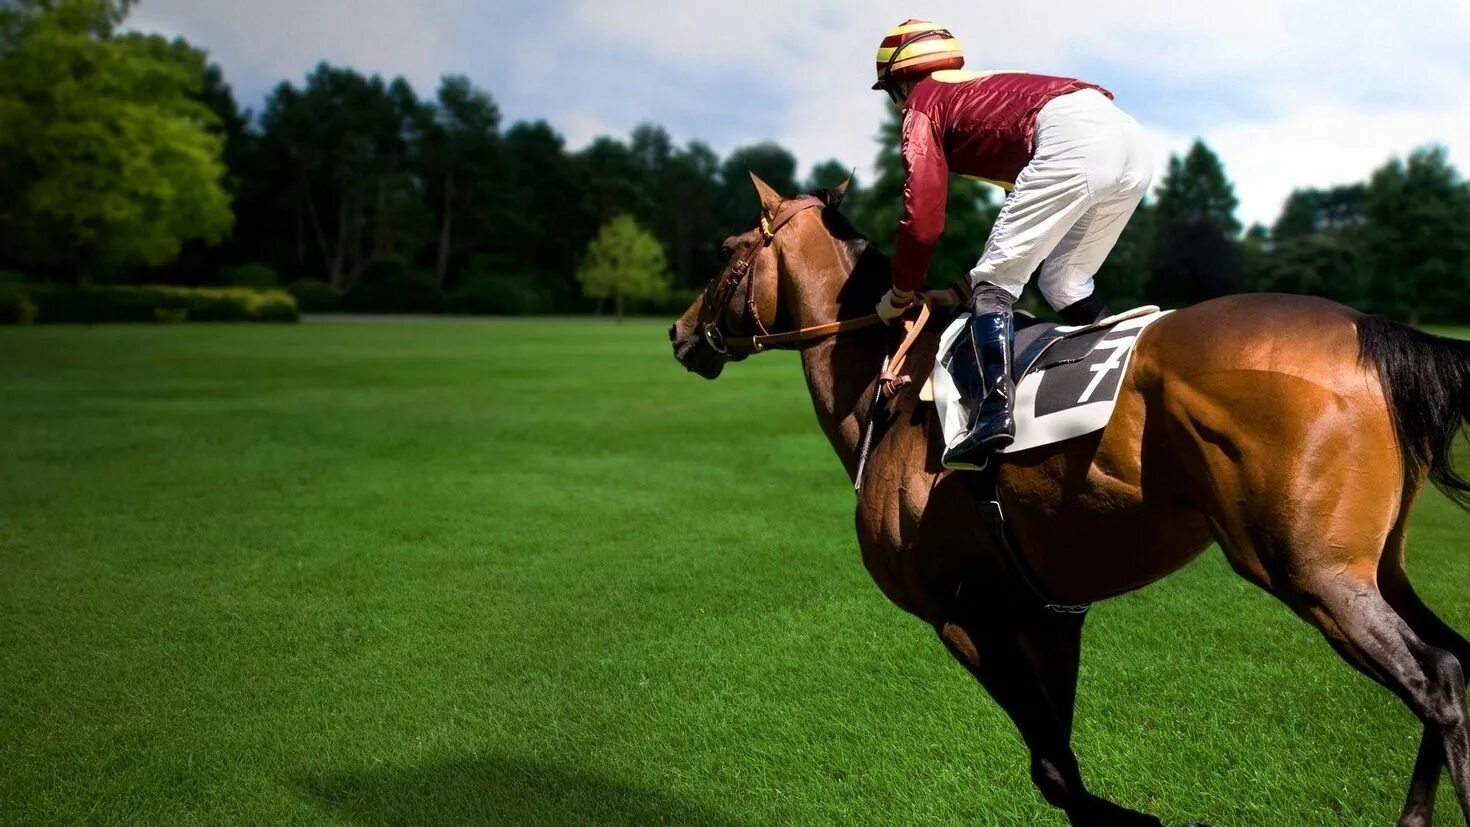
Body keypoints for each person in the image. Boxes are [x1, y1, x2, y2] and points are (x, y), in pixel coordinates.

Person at [870, 19, 1153, 469]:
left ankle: (994, 415)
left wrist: (901, 292)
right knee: (1065, 282)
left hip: (1071, 141)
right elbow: (1020, 232)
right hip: (1132, 140)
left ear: (899, 81)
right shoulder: (983, 91)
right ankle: (1134, 373)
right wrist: (964, 289)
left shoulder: (923, 104)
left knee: (996, 286)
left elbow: (922, 218)